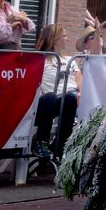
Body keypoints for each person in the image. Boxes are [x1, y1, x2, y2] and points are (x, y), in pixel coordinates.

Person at [34, 24, 79, 160]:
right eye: (64, 36)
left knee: (70, 99)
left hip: (65, 98)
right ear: (54, 39)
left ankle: (60, 144)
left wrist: (80, 93)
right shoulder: (39, 59)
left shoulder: (69, 59)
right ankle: (41, 142)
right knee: (50, 97)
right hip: (44, 102)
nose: (67, 39)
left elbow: (79, 79)